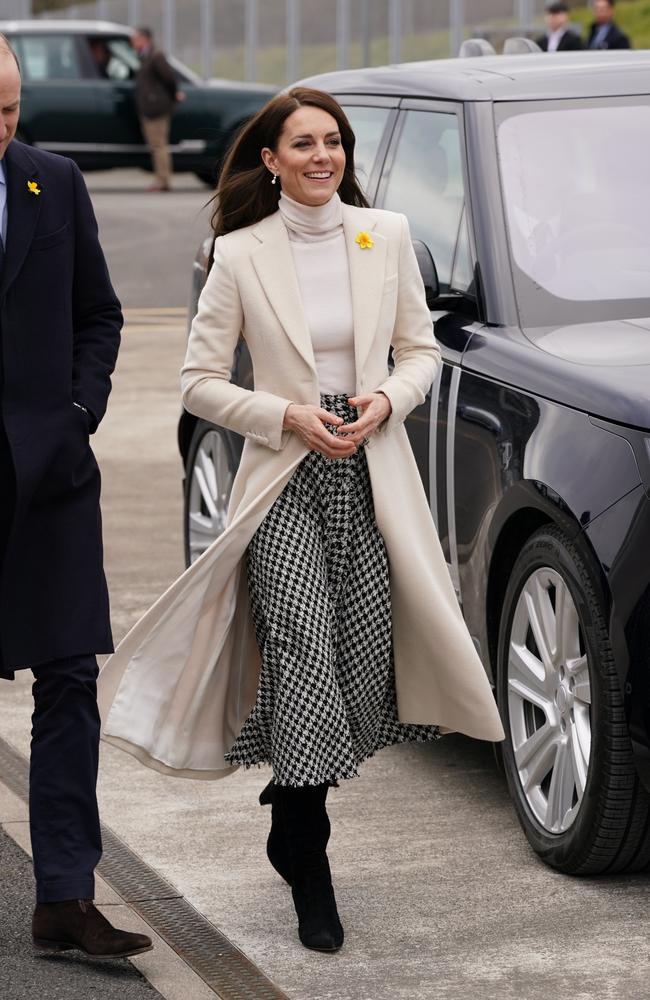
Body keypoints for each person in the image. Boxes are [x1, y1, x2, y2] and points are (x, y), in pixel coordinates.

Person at [98, 88, 505, 954]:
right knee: (302, 645)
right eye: (303, 144)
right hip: (283, 477)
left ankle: (289, 800)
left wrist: (384, 403)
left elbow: (421, 352)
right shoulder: (239, 255)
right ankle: (309, 865)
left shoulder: (385, 235)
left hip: (370, 472)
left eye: (334, 143)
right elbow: (200, 382)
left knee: (360, 661)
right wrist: (285, 415)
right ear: (271, 160)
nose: (323, 157)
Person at [0, 36, 152, 960]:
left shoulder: (54, 182)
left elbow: (100, 313)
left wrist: (79, 409)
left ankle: (63, 898)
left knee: (68, 684)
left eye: (10, 110)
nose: (2, 130)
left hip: (51, 478)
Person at [131, 26, 184, 192]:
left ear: (145, 39)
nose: (132, 42)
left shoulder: (156, 55)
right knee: (156, 145)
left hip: (156, 108)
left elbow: (169, 78)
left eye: (135, 39)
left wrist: (175, 94)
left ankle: (163, 180)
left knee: (159, 145)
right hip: (149, 108)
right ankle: (161, 178)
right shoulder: (144, 56)